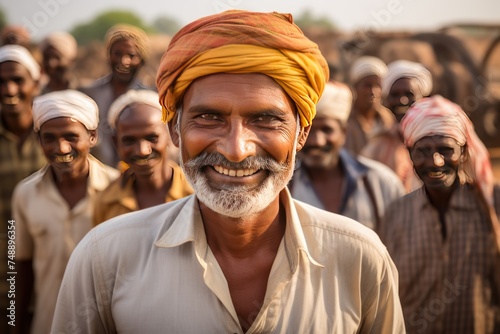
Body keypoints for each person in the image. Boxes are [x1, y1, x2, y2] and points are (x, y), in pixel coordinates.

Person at [52, 11, 405, 333]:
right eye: (209, 117)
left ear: (301, 134)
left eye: (265, 119)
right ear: (175, 131)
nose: (236, 149)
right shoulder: (104, 258)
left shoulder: (360, 259)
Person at [377, 95, 500, 333]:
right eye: (423, 151)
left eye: (446, 150)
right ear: (411, 155)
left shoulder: (492, 208)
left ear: (463, 153)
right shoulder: (395, 216)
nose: (435, 161)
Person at [12, 90, 120, 334]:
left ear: (92, 137)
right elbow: (17, 264)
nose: (61, 147)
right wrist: (13, 323)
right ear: (39, 140)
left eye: (71, 137)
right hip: (46, 325)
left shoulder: (119, 190)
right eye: (49, 138)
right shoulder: (24, 194)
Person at [289, 81, 405, 230]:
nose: (317, 141)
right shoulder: (281, 189)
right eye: (308, 131)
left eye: (327, 130)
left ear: (343, 132)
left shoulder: (382, 183)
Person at [93, 89, 193, 225]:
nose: (142, 151)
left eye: (152, 138)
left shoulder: (195, 194)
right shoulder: (106, 202)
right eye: (129, 141)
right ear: (116, 143)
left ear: (171, 134)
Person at [0, 44, 46, 334]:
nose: (9, 89)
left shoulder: (54, 138)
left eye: (18, 80)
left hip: (48, 269)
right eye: (1, 82)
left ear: (35, 83)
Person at [79, 24, 152, 168]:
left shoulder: (149, 99)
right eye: (117, 54)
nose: (124, 61)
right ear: (108, 56)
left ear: (142, 60)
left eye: (132, 56)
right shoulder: (89, 94)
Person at [361, 59, 433, 192]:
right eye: (395, 95)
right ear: (387, 100)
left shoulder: (436, 138)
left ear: (422, 98)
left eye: (409, 94)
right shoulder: (379, 143)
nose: (402, 100)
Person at [344, 55, 394, 155]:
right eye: (367, 86)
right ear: (355, 87)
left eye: (378, 86)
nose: (373, 91)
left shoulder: (388, 119)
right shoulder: (346, 120)